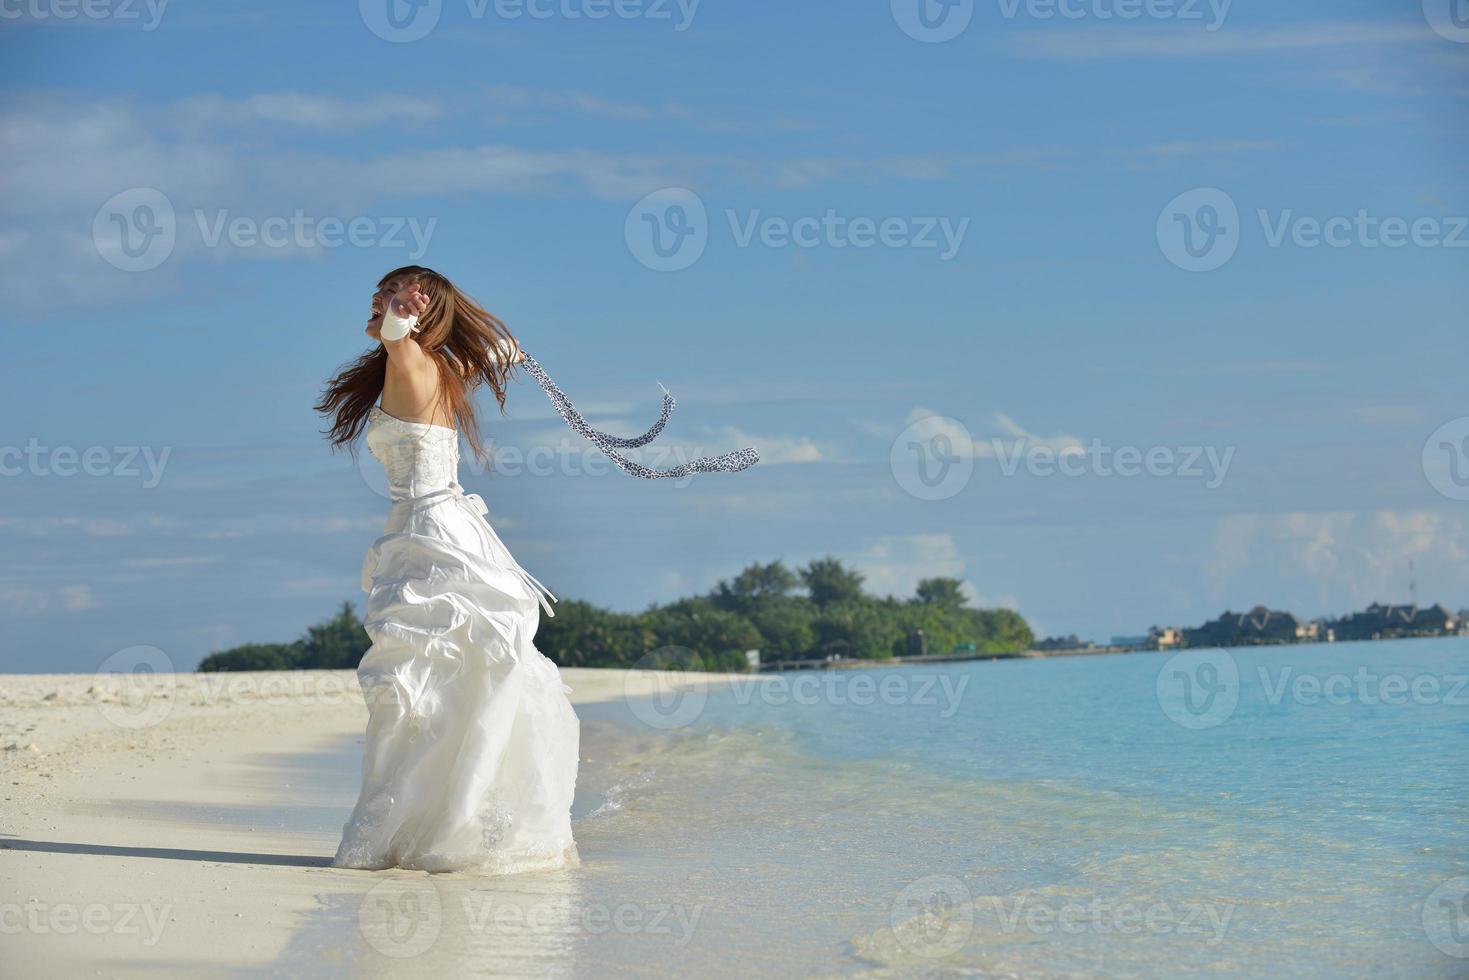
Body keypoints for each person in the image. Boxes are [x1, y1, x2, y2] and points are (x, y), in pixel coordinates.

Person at [315, 265, 759, 875]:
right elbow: (480, 356)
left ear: (417, 312)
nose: (374, 304)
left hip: (429, 533)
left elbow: (397, 334)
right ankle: (439, 822)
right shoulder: (441, 368)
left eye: (385, 295)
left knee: (424, 681)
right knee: (440, 679)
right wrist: (496, 347)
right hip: (439, 530)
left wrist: (406, 312)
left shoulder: (411, 358)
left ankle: (433, 826)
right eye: (376, 293)